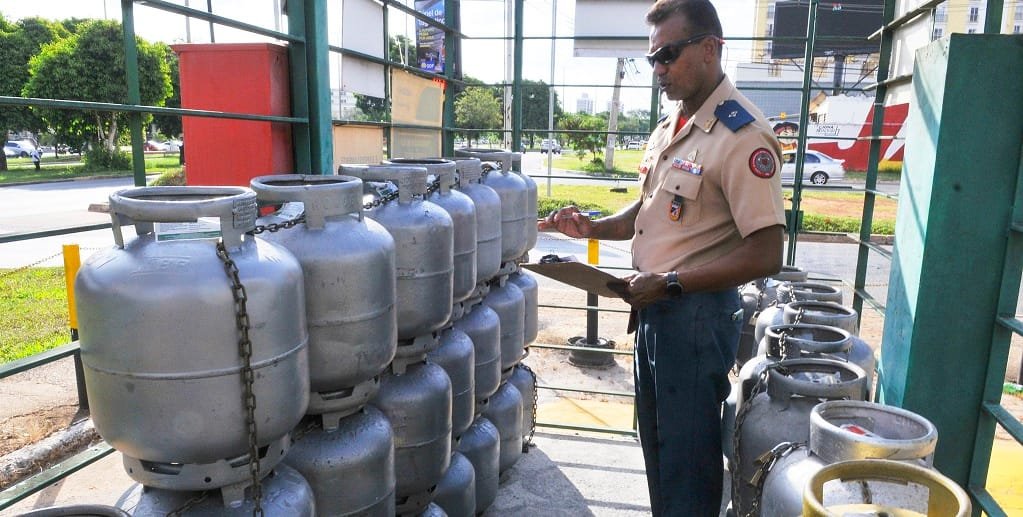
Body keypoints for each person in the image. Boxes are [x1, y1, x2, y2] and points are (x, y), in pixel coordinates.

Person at [538, 1, 785, 515]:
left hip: (694, 319)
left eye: (667, 55)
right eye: (653, 58)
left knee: (688, 460)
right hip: (653, 309)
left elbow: (766, 253)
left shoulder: (742, 135)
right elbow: (652, 207)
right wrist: (594, 227)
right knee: (656, 445)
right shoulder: (675, 123)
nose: (658, 70)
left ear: (711, 48)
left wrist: (670, 283)